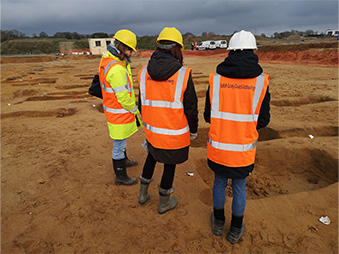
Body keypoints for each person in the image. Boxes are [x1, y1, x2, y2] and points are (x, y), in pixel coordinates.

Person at [204, 30, 270, 244]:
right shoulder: (261, 82)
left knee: (219, 183)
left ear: (230, 52)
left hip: (219, 148)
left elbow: (207, 115)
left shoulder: (215, 80)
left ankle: (218, 223)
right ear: (254, 51)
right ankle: (235, 229)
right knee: (240, 187)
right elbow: (263, 120)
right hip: (243, 151)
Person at [137, 27, 198, 214]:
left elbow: (141, 104)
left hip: (152, 131)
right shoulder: (183, 74)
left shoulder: (143, 72)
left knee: (152, 156)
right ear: (177, 49)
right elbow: (191, 108)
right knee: (169, 166)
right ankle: (164, 203)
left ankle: (143, 194)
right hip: (174, 134)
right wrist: (193, 130)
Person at [98, 29, 141, 186]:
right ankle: (121, 176)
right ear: (122, 47)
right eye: (130, 50)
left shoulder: (109, 60)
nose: (131, 54)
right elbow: (123, 97)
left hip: (114, 110)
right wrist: (134, 109)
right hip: (119, 112)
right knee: (118, 145)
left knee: (122, 140)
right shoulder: (116, 69)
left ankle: (125, 160)